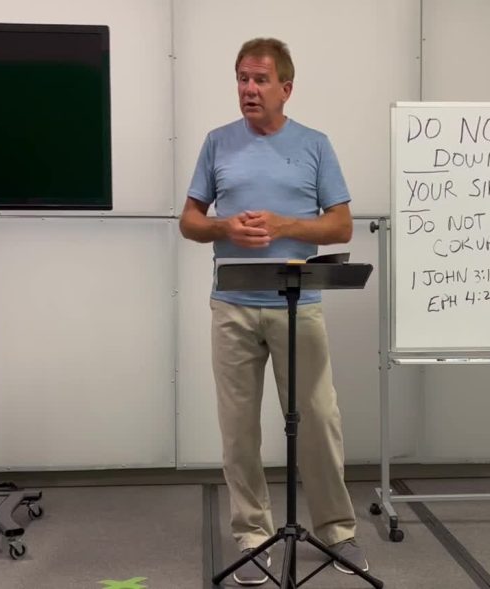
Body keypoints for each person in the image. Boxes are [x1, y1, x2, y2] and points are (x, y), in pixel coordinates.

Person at [179, 37, 368, 586]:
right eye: (242, 78)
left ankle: (336, 531)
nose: (249, 89)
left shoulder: (314, 145)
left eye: (260, 80)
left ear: (286, 88)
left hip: (298, 306)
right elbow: (190, 221)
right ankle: (252, 535)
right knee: (238, 427)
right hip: (232, 307)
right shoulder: (217, 143)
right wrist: (223, 226)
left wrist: (287, 225)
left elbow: (341, 226)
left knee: (318, 420)